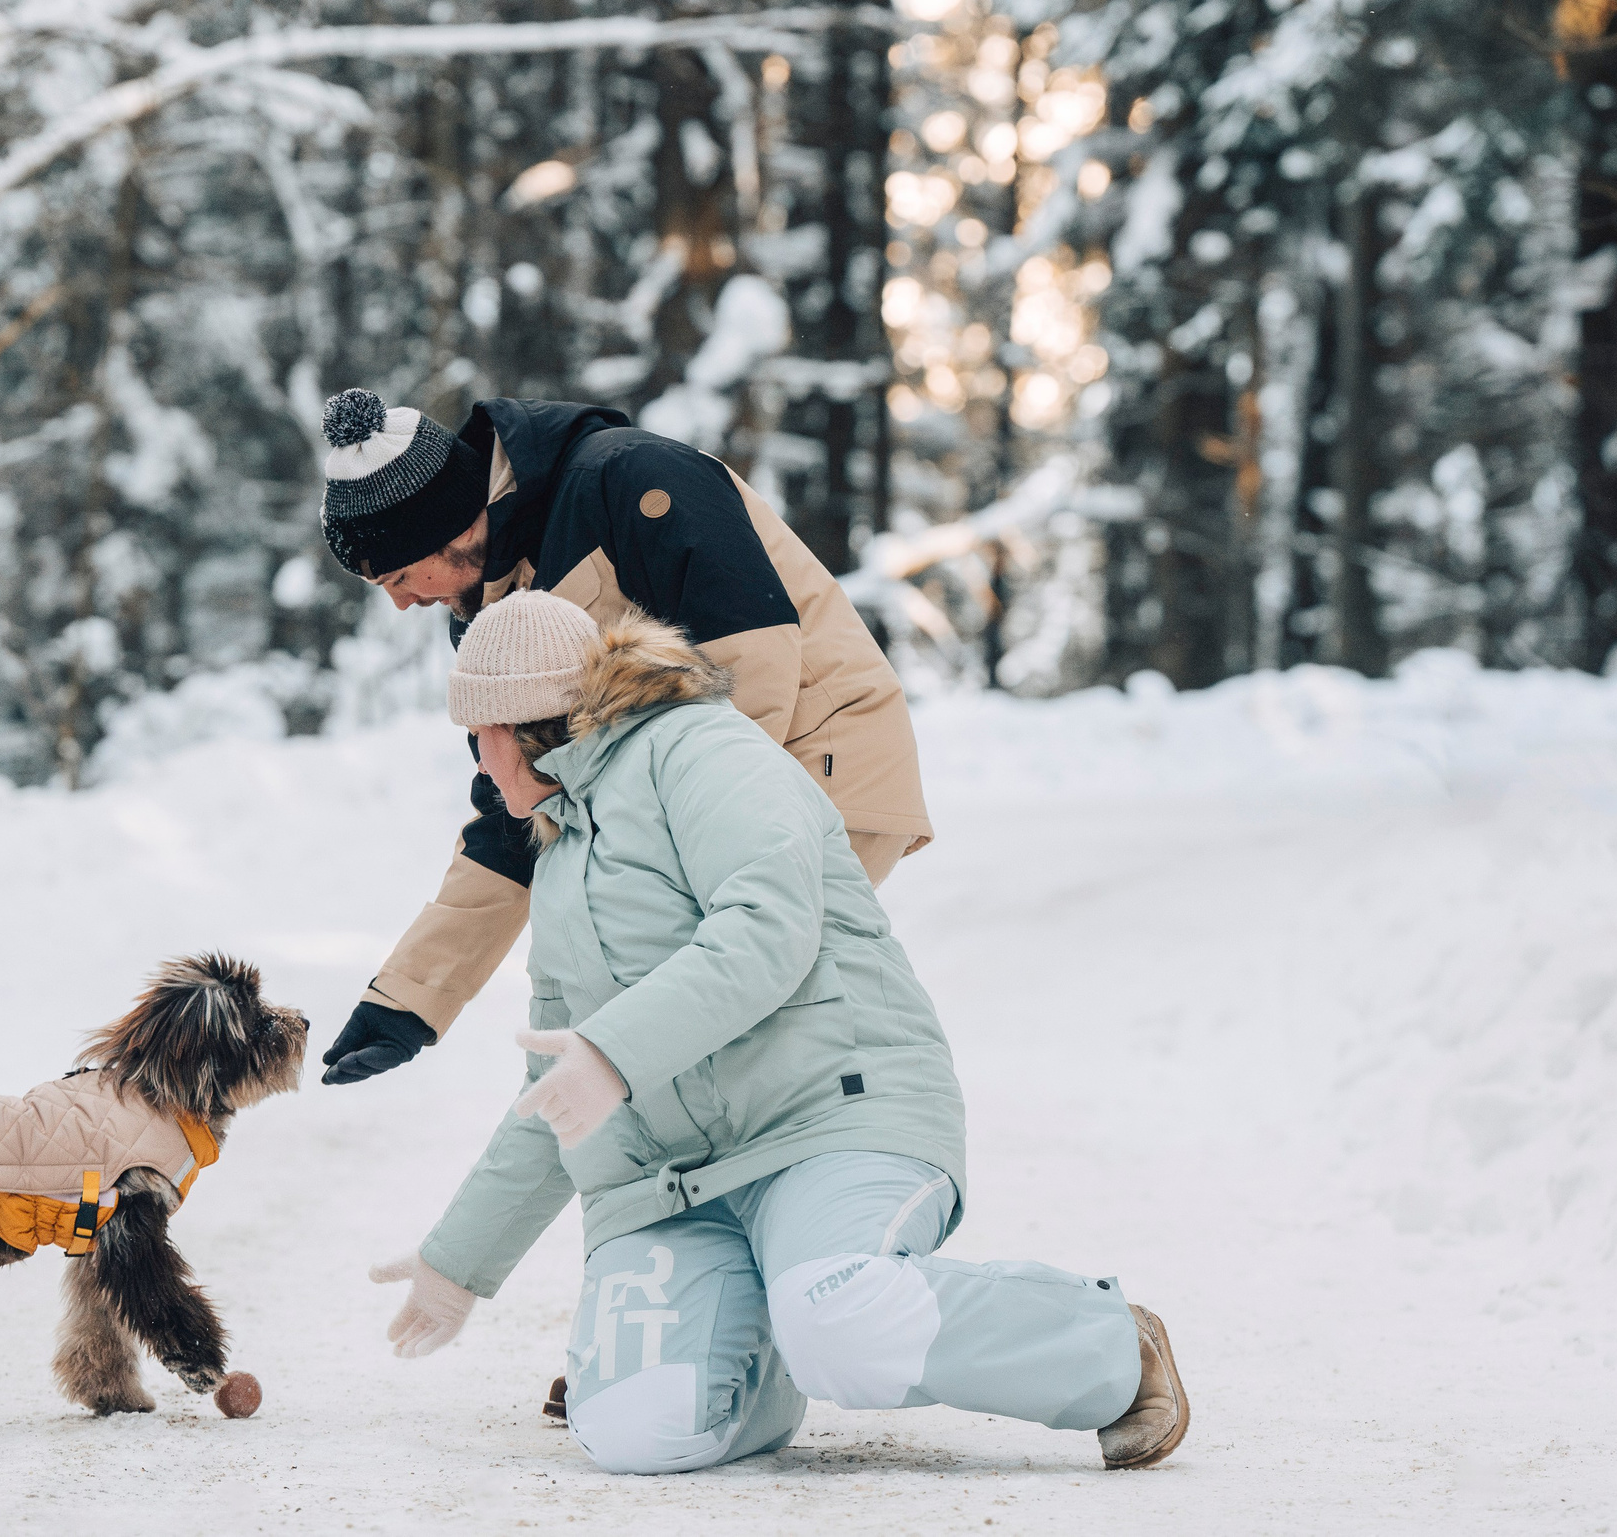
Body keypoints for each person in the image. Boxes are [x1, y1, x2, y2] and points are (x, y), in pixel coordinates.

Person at [368, 592, 1190, 1473]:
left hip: (827, 1120)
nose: (479, 763)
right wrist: (460, 1261)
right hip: (675, 1186)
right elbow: (559, 1091)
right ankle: (776, 1331)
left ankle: (1107, 1347)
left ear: (523, 724)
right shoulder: (562, 854)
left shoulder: (701, 751)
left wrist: (614, 1054)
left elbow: (769, 927)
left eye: (478, 736)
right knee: (640, 1432)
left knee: (846, 1318)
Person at [312, 387, 936, 1087]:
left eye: (398, 576)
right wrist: (407, 1001)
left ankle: (861, 1127)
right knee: (658, 1016)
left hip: (814, 760)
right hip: (703, 802)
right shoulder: (492, 609)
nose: (401, 602)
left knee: (691, 1017)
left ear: (446, 526)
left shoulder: (627, 478)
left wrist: (658, 834)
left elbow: (751, 663)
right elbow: (518, 807)